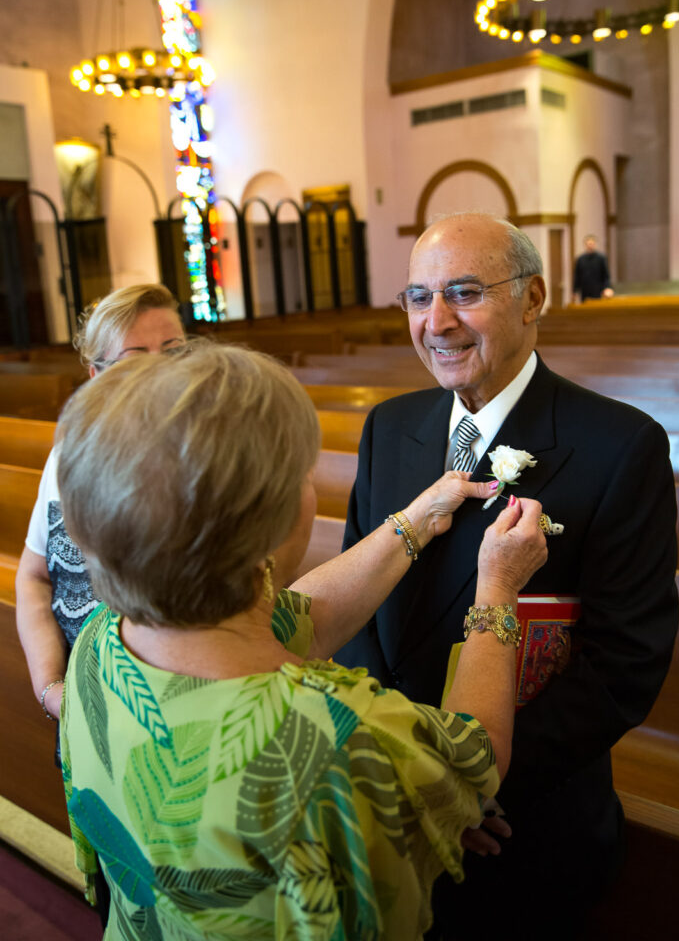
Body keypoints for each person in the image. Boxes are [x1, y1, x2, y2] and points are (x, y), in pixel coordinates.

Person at [58, 343, 547, 939]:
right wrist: (497, 587)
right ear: (267, 517)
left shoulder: (100, 639)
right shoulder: (331, 744)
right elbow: (477, 756)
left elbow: (301, 618)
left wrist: (417, 520)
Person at [336, 212, 679, 938]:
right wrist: (393, 763)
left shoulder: (619, 446)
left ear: (532, 299)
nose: (436, 322)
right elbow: (355, 608)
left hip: (520, 823)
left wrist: (465, 784)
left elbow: (622, 663)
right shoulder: (389, 427)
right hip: (388, 803)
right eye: (419, 297)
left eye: (464, 293)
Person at [15, 283, 187, 725]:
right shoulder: (67, 456)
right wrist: (52, 690)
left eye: (174, 351)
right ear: (97, 376)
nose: (161, 370)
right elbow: (33, 577)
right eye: (135, 358)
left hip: (174, 717)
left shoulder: (212, 461)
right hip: (79, 714)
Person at [573, 233, 614, 302]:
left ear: (595, 244)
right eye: (588, 244)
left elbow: (606, 275)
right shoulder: (580, 259)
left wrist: (607, 287)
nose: (590, 246)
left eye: (592, 244)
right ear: (585, 245)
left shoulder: (601, 258)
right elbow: (577, 276)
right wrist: (575, 290)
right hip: (585, 289)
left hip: (598, 289)